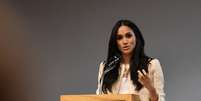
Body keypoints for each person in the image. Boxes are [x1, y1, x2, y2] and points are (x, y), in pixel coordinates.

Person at [96, 19, 165, 101]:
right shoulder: (106, 67)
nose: (125, 41)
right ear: (115, 42)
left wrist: (150, 88)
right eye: (119, 38)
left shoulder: (152, 65)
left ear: (136, 37)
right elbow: (99, 97)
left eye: (128, 36)